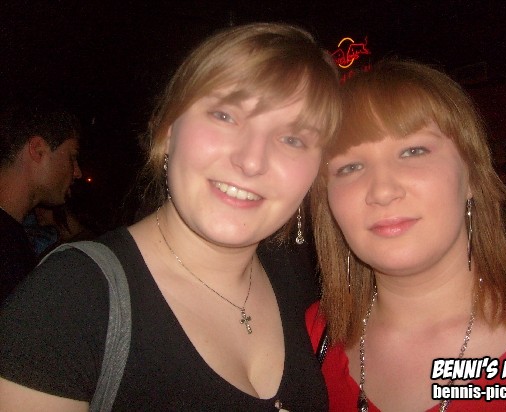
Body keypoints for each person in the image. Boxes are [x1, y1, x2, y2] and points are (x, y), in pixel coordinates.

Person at [0, 22, 341, 411]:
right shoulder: (68, 303)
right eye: (225, 116)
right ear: (168, 130)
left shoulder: (295, 278)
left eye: (293, 139)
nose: (252, 160)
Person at [306, 59, 506, 411]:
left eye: (413, 151)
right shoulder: (309, 338)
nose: (382, 191)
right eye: (350, 166)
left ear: (471, 176)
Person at [0, 101, 82, 302]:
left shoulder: (15, 239)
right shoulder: (7, 247)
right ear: (38, 150)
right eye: (72, 157)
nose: (77, 172)